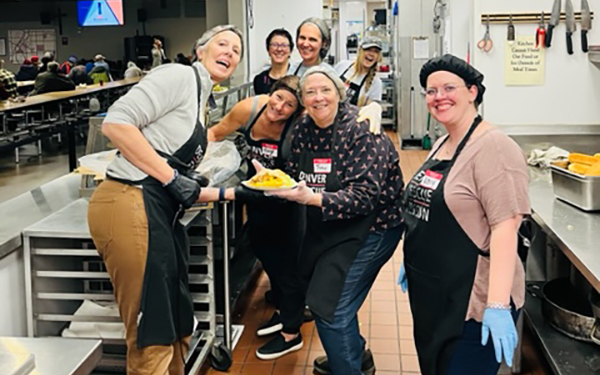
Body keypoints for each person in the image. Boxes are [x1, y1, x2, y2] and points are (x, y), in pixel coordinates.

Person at [87, 25, 262, 374]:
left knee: (178, 319)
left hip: (158, 210)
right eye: (221, 44)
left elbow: (181, 184)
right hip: (129, 200)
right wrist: (172, 177)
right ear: (199, 51)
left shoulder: (201, 100)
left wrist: (243, 192)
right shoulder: (178, 76)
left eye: (237, 50)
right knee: (152, 326)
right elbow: (117, 124)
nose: (229, 51)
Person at [398, 54, 529, 375]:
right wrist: (415, 255)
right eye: (431, 91)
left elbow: (505, 227)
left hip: (472, 303)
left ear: (472, 91)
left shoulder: (494, 147)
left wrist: (496, 306)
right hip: (432, 293)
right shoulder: (443, 142)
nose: (438, 97)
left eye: (448, 88)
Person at [269, 66, 404, 375]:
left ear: (339, 93)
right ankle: (354, 355)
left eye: (325, 90)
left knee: (331, 307)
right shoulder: (303, 128)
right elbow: (295, 171)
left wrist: (310, 199)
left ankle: (348, 366)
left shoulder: (360, 128)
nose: (318, 98)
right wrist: (274, 181)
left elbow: (365, 196)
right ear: (302, 99)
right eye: (310, 92)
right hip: (329, 225)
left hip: (374, 227)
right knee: (322, 295)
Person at [209, 76, 309, 359]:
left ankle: (291, 332)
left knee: (286, 262)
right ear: (270, 93)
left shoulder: (299, 124)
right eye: (278, 98)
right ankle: (283, 310)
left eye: (289, 105)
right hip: (256, 195)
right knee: (265, 252)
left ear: (296, 110)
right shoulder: (248, 109)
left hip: (287, 200)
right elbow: (214, 133)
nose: (279, 108)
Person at [334, 37, 383, 107]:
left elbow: (371, 112)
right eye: (368, 49)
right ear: (359, 50)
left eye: (376, 51)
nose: (371, 54)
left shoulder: (375, 83)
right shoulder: (342, 66)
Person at [253, 28, 294, 95]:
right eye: (275, 45)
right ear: (268, 50)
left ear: (290, 51)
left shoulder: (297, 77)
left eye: (284, 45)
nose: (279, 49)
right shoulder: (260, 80)